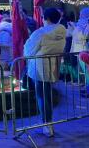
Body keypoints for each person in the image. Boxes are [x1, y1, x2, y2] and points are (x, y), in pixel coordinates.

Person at [24, 8, 66, 137]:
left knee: (42, 97)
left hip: (38, 67)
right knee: (47, 95)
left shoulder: (40, 33)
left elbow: (28, 51)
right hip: (53, 65)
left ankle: (46, 125)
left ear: (46, 18)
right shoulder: (62, 31)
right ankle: (48, 124)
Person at [69, 7, 89, 95]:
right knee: (85, 70)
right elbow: (75, 35)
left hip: (85, 49)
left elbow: (86, 35)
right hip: (79, 50)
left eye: (82, 13)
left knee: (88, 71)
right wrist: (73, 28)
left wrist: (76, 28)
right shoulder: (81, 23)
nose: (80, 15)